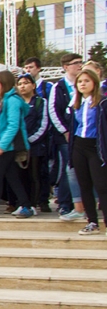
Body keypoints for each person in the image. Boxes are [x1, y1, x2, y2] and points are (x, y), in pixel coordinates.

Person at [68, 69, 107, 235]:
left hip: (96, 146)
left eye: (86, 81)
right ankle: (92, 222)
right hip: (79, 145)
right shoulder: (77, 103)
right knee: (84, 185)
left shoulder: (102, 103)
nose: (83, 84)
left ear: (94, 83)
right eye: (80, 82)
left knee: (101, 185)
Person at [0, 71, 33, 218]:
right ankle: (26, 204)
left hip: (9, 146)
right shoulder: (6, 100)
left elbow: (13, 125)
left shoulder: (13, 100)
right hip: (6, 145)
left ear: (3, 83)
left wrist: (1, 145)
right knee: (12, 176)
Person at [49, 53, 86, 219]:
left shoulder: (85, 84)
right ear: (65, 67)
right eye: (75, 63)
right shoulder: (59, 86)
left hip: (84, 134)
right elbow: (53, 110)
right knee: (69, 168)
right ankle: (65, 203)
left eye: (80, 62)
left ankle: (85, 203)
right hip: (66, 136)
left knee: (82, 169)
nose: (79, 65)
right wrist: (64, 131)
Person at [18, 73, 50, 213]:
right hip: (19, 146)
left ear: (33, 85)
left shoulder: (40, 102)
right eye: (19, 84)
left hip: (36, 145)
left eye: (25, 83)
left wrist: (29, 140)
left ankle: (36, 202)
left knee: (35, 175)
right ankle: (22, 203)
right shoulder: (16, 102)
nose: (22, 86)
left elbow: (43, 124)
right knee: (21, 175)